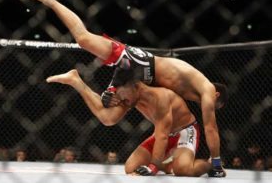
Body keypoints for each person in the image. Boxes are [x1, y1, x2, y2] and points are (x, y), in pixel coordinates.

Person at [20, 0, 228, 177]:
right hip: (144, 65)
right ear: (216, 94)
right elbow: (210, 127)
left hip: (140, 80)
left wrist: (113, 89)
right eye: (216, 105)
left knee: (109, 118)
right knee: (83, 39)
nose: (210, 108)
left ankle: (76, 80)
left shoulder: (188, 91)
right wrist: (217, 163)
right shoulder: (207, 89)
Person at [45, 68, 225, 176]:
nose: (120, 98)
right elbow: (106, 116)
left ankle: (210, 164)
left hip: (184, 131)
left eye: (122, 92)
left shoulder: (162, 97)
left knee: (183, 171)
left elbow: (162, 135)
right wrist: (96, 93)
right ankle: (76, 80)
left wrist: (154, 167)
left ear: (135, 86)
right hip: (162, 134)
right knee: (130, 167)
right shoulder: (131, 97)